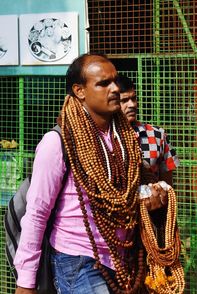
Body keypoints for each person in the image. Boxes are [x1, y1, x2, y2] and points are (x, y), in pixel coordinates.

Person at [14, 54, 181, 294]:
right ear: (79, 91)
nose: (115, 89)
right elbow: (37, 213)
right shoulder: (58, 142)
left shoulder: (127, 140)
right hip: (78, 260)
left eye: (114, 81)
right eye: (103, 84)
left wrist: (150, 197)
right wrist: (26, 282)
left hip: (125, 259)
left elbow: (125, 192)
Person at [118, 74, 179, 186]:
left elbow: (167, 184)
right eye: (124, 100)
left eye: (134, 98)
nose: (132, 105)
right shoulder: (104, 137)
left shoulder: (157, 134)